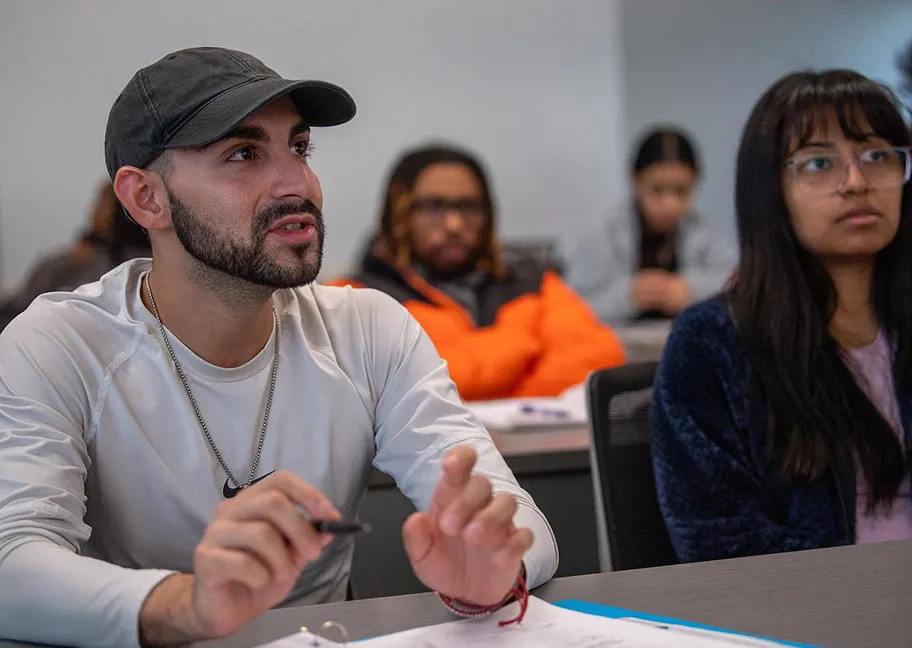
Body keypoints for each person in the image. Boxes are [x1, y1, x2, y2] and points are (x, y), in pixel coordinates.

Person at [0, 48, 558, 648]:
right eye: (243, 154)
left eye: (299, 147)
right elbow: (11, 564)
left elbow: (513, 516)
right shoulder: (58, 345)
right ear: (146, 199)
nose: (299, 184)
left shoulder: (369, 330)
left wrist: (493, 570)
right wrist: (190, 606)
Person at [651, 69, 912, 563]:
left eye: (877, 156)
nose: (856, 182)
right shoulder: (712, 343)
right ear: (771, 190)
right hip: (815, 622)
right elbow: (719, 543)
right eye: (819, 163)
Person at [331, 144, 625, 401]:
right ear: (398, 213)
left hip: (535, 460)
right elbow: (413, 385)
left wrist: (492, 401)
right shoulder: (355, 298)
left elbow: (600, 359)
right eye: (434, 207)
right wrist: (519, 345)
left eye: (469, 207)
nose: (454, 225)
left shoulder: (532, 281)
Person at [563, 128, 736, 323]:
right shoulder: (601, 234)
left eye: (681, 191)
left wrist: (691, 290)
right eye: (657, 190)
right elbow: (569, 308)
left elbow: (736, 286)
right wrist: (628, 296)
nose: (669, 204)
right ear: (636, 182)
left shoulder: (706, 232)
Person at [0, 181, 151, 316]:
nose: (93, 210)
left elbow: (21, 306)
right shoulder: (81, 256)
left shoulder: (89, 261)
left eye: (101, 204)